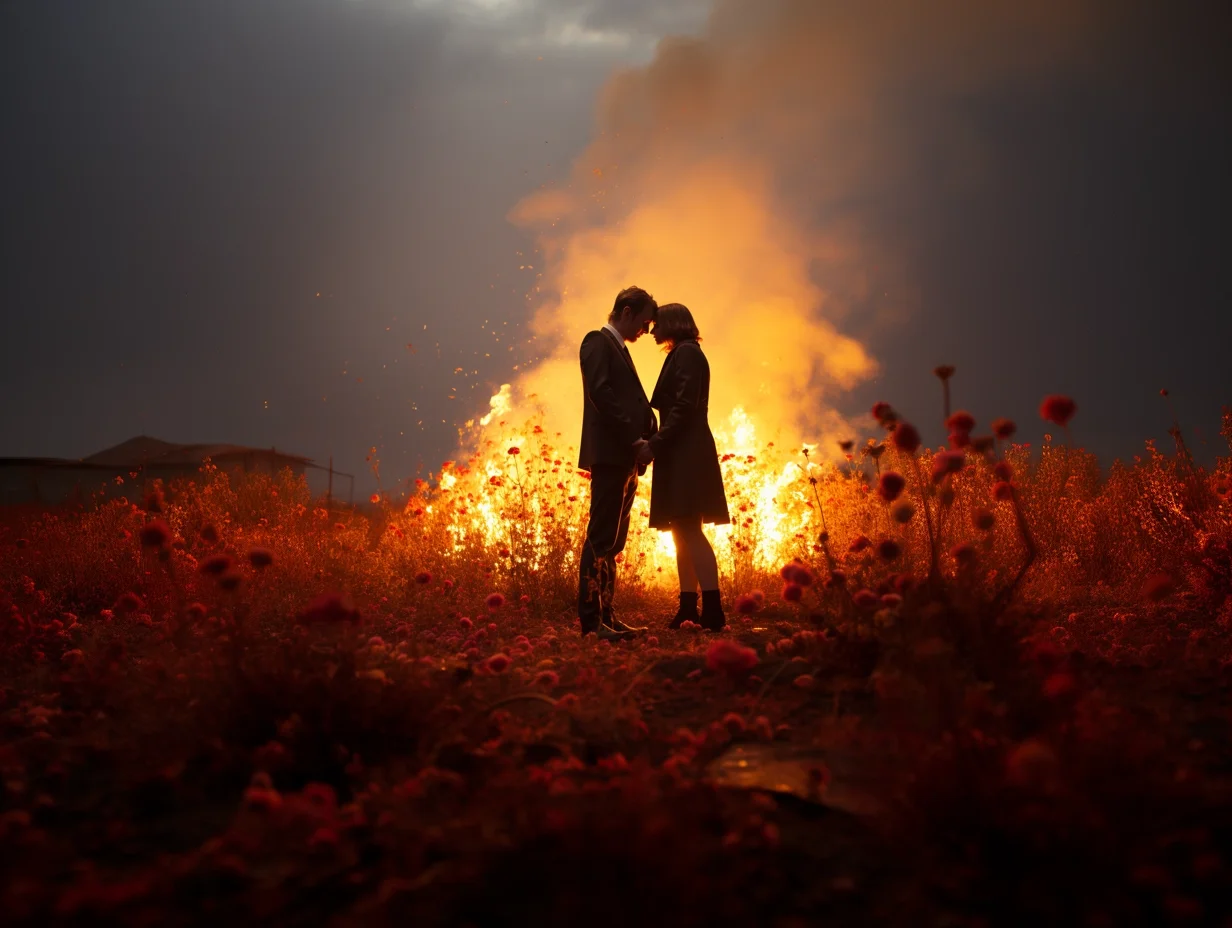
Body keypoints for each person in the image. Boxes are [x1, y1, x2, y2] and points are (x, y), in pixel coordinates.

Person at [636, 303, 730, 631]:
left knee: (689, 528)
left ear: (672, 323)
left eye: (656, 324)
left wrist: (655, 443)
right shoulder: (683, 353)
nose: (651, 330)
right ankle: (689, 608)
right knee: (681, 531)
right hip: (680, 449)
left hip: (686, 450)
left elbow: (685, 408)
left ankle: (713, 610)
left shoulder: (687, 354)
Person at [576, 286, 659, 640]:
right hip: (612, 456)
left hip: (625, 459)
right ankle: (592, 621)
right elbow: (601, 393)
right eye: (644, 322)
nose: (647, 330)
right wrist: (633, 438)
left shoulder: (619, 349)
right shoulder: (597, 341)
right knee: (600, 539)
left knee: (614, 543)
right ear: (626, 312)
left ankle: (607, 615)